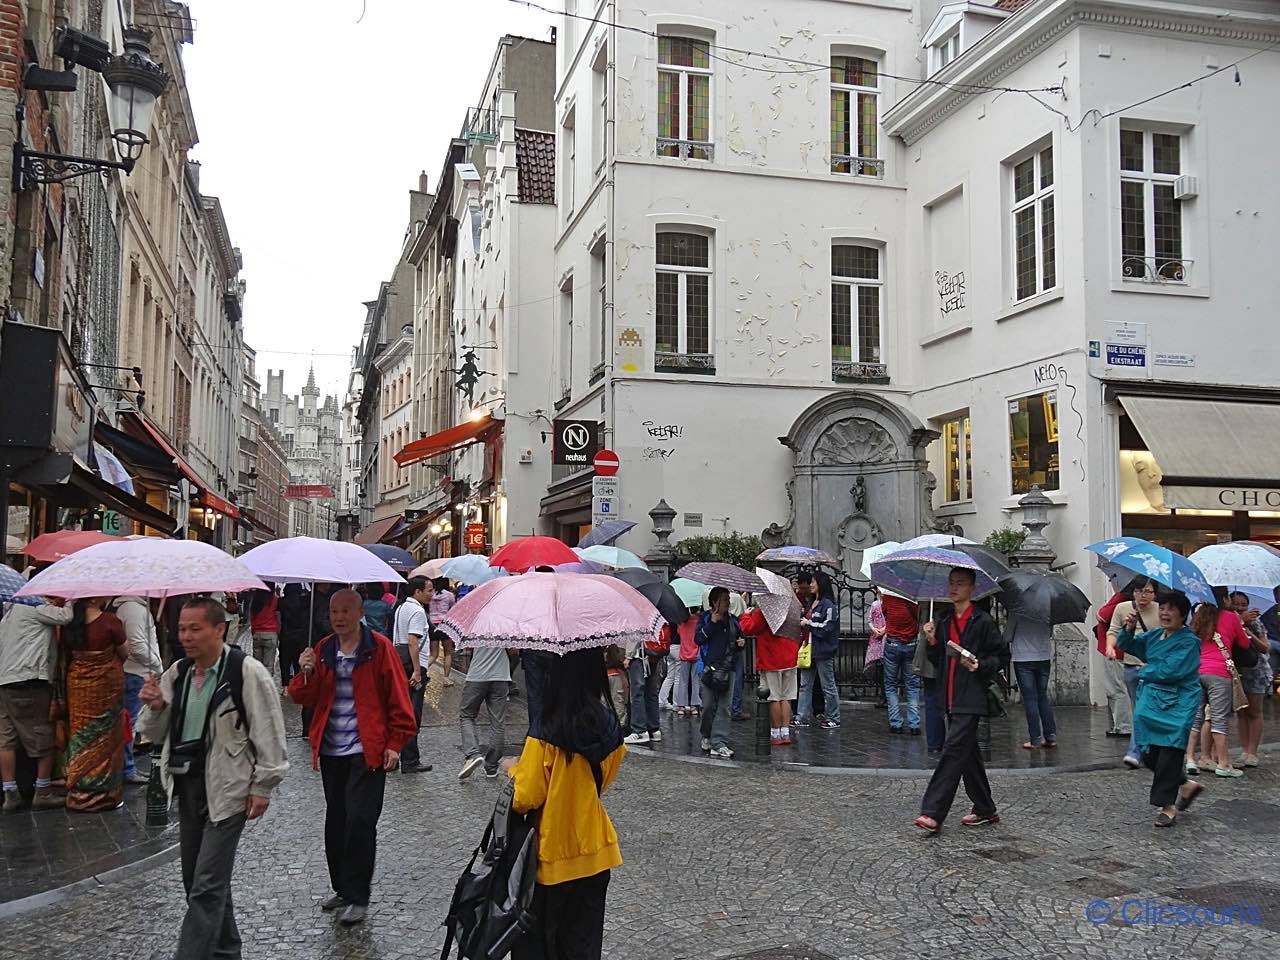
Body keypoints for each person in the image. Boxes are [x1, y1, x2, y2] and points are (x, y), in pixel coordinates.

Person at [137, 597, 289, 960]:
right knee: (199, 880)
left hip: (229, 788)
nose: (186, 637)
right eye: (182, 629)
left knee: (205, 886)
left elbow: (269, 731)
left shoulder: (246, 672)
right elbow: (156, 734)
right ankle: (226, 951)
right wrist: (156, 705)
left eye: (195, 628)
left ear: (219, 629)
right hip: (187, 786)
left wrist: (263, 785)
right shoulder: (178, 673)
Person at [287, 589, 416, 925]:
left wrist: (395, 743)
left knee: (360, 821)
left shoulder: (378, 648)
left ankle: (359, 895)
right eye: (333, 611)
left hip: (367, 749)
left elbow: (398, 698)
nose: (339, 617)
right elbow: (303, 696)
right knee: (337, 821)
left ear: (359, 612)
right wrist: (306, 672)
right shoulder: (324, 649)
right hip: (332, 750)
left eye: (345, 611)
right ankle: (342, 887)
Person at [506, 648, 625, 960]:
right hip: (596, 853)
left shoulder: (545, 729)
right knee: (583, 948)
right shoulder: (610, 725)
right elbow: (604, 780)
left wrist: (516, 769)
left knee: (544, 947)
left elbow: (525, 797)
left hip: (552, 860)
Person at [914, 568, 1007, 834]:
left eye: (960, 584)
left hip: (972, 696)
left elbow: (1001, 656)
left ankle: (932, 812)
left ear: (972, 589)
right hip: (949, 695)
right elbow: (938, 661)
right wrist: (931, 642)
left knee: (953, 750)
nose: (954, 588)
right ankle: (985, 808)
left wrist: (980, 664)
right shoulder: (943, 621)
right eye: (951, 583)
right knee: (968, 755)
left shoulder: (983, 622)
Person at [1113, 591, 1204, 827]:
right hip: (1151, 702)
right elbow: (1129, 646)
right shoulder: (1155, 635)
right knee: (1147, 752)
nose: (1165, 613)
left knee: (1169, 753)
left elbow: (1171, 671)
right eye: (1162, 607)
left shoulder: (1190, 642)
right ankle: (1184, 784)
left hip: (1178, 704)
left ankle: (1168, 806)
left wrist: (1144, 672)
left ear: (1183, 614)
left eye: (1171, 609)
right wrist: (1129, 628)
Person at [0, 598, 72, 812]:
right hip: (29, 680)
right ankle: (43, 791)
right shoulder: (35, 606)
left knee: (6, 739)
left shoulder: (8, 614)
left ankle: (10, 792)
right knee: (44, 734)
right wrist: (70, 599)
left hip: (5, 681)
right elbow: (66, 617)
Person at [63, 597, 129, 812]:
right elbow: (124, 653)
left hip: (77, 684)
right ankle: (103, 795)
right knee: (108, 737)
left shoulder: (70, 622)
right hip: (107, 686)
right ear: (94, 597)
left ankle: (79, 792)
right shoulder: (110, 621)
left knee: (80, 734)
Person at [1185, 588, 1253, 779]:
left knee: (1196, 717)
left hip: (1197, 671)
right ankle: (1224, 764)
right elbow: (1245, 644)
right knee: (1219, 718)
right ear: (1224, 599)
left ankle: (1190, 758)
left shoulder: (1198, 616)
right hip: (1219, 673)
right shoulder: (1231, 617)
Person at [112, 594, 164, 786]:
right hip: (136, 672)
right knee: (129, 723)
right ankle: (127, 768)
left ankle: (127, 766)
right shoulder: (133, 609)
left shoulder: (133, 607)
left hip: (136, 671)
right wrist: (157, 665)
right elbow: (137, 645)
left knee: (129, 721)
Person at [1106, 577, 1157, 768]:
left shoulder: (1161, 610)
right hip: (1130, 666)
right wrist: (1110, 647)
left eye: (1148, 591)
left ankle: (1135, 751)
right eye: (1139, 591)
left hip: (1151, 668)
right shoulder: (1122, 608)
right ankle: (1146, 748)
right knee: (1139, 708)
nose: (1143, 595)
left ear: (1154, 593)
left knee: (1141, 710)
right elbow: (1112, 631)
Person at [738, 599, 799, 746]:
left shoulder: (766, 608)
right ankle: (785, 732)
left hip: (771, 658)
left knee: (773, 697)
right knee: (786, 697)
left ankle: (775, 732)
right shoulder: (790, 607)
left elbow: (749, 628)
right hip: (789, 656)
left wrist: (745, 615)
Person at [695, 588, 742, 759]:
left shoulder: (733, 621)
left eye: (728, 599)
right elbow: (698, 639)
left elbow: (738, 640)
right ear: (714, 602)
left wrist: (740, 644)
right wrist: (712, 624)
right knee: (708, 706)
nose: (728, 603)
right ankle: (706, 734)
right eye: (724, 600)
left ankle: (719, 742)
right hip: (708, 670)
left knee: (724, 707)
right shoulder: (705, 618)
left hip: (729, 669)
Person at [457, 639, 512, 780]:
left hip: (477, 675)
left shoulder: (477, 622)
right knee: (497, 722)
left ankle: (473, 754)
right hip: (501, 676)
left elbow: (468, 646)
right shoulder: (506, 623)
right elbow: (513, 651)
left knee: (467, 715)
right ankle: (492, 767)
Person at [393, 576, 432, 774]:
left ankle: (399, 755)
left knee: (402, 710)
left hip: (400, 663)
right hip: (412, 665)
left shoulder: (400, 608)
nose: (432, 594)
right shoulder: (417, 611)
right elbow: (412, 641)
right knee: (412, 714)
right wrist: (417, 671)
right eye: (429, 590)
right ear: (417, 592)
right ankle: (410, 760)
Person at [1230, 591, 1272, 767]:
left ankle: (1252, 752)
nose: (1239, 607)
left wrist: (1248, 632)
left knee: (1254, 711)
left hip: (1256, 671)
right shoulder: (1227, 620)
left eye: (1243, 604)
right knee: (1241, 712)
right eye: (1235, 604)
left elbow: (1264, 647)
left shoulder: (1255, 623)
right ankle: (1244, 750)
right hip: (1237, 671)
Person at [795, 573, 840, 729]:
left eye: (813, 582)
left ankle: (834, 717)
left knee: (828, 685)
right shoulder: (811, 603)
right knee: (805, 685)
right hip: (809, 648)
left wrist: (809, 623)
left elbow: (828, 628)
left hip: (823, 650)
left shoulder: (828, 605)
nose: (811, 584)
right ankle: (802, 717)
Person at [1006, 613, 1057, 751]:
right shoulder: (1047, 611)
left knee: (1030, 698)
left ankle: (1035, 739)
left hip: (1023, 658)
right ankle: (1050, 736)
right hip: (1043, 656)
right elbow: (1050, 634)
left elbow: (1007, 636)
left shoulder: (1017, 611)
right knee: (1042, 696)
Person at [880, 591, 921, 734]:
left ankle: (895, 723)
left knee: (890, 684)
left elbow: (885, 613)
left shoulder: (887, 597)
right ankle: (914, 724)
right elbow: (918, 616)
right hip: (911, 643)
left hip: (892, 643)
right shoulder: (911, 596)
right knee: (913, 685)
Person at [622, 626, 662, 745]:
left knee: (637, 692)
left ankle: (639, 730)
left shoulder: (634, 610)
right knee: (651, 691)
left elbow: (634, 634)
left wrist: (628, 656)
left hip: (638, 656)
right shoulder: (650, 611)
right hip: (651, 654)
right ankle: (654, 729)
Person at [278, 583, 309, 690]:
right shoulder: (303, 602)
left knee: (285, 661)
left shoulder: (282, 602)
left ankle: (285, 687)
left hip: (285, 635)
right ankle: (297, 684)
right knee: (297, 661)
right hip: (299, 635)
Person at [427, 578, 456, 686]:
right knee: (448, 653)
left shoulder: (430, 594)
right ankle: (446, 679)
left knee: (433, 654)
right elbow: (453, 609)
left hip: (432, 625)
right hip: (445, 625)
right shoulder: (449, 595)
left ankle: (421, 671)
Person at [672, 609, 702, 716]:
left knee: (683, 680)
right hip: (696, 653)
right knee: (695, 680)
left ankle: (681, 706)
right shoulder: (699, 621)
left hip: (684, 653)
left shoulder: (682, 622)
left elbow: (679, 632)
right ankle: (694, 705)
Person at [248, 585, 281, 679]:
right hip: (270, 634)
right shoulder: (274, 600)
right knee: (268, 665)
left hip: (257, 634)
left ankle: (257, 684)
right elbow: (278, 616)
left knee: (257, 664)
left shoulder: (256, 600)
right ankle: (266, 686)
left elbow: (252, 618)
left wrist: (253, 631)